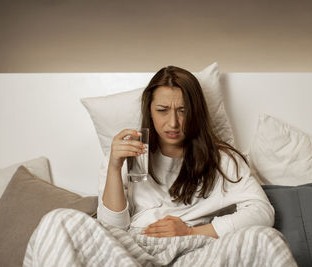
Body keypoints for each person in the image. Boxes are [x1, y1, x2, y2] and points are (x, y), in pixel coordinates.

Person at [97, 65, 275, 238]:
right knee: (70, 221)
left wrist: (191, 232)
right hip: (136, 246)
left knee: (267, 240)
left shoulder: (222, 160)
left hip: (193, 246)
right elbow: (111, 232)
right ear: (150, 111)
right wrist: (114, 167)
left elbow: (262, 212)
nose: (173, 123)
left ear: (195, 112)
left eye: (183, 111)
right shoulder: (125, 156)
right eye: (162, 110)